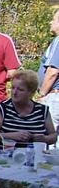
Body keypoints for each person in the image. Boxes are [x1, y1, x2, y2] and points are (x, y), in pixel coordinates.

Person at [0, 70, 57, 146]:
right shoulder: (2, 108)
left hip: (32, 151)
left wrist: (44, 139)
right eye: (13, 88)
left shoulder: (42, 110)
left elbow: (53, 136)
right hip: (4, 152)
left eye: (20, 90)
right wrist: (11, 136)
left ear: (31, 92)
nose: (14, 92)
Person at [37, 9, 59, 146]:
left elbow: (53, 71)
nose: (50, 22)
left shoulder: (58, 42)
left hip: (54, 96)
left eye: (54, 19)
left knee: (49, 140)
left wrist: (42, 94)